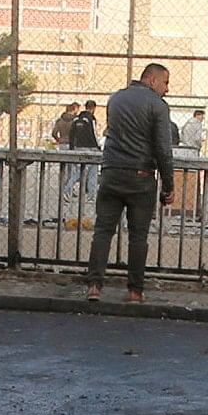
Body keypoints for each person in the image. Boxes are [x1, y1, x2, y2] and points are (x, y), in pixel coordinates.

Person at [85, 63, 177, 303]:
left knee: (103, 231)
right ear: (152, 80)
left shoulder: (116, 99)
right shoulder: (158, 106)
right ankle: (135, 291)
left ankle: (94, 286)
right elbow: (163, 150)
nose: (167, 89)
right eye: (165, 82)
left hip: (112, 172)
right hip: (141, 177)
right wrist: (168, 185)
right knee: (138, 236)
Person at [175, 107, 208, 213]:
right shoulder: (197, 124)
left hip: (185, 150)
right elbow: (197, 138)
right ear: (198, 115)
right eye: (202, 116)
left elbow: (182, 137)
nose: (203, 119)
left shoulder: (187, 123)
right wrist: (199, 144)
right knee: (194, 179)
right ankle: (194, 207)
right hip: (194, 151)